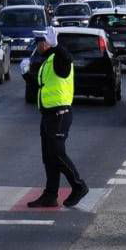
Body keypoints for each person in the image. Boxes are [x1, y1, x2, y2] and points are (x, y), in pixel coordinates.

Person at [26, 27, 89, 208]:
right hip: (48, 114)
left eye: (39, 43)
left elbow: (67, 59)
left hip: (59, 114)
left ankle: (79, 186)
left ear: (47, 43)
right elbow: (42, 86)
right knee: (48, 157)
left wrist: (58, 46)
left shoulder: (59, 58)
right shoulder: (47, 61)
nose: (37, 46)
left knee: (57, 154)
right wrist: (26, 75)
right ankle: (50, 195)